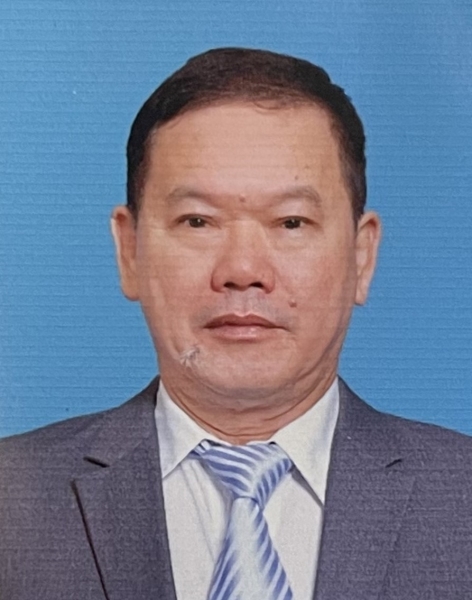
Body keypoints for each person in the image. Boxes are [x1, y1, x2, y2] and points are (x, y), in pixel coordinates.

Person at [1, 47, 471, 600]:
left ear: (361, 257)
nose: (243, 270)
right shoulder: (13, 499)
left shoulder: (459, 498)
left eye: (291, 222)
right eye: (197, 221)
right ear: (129, 251)